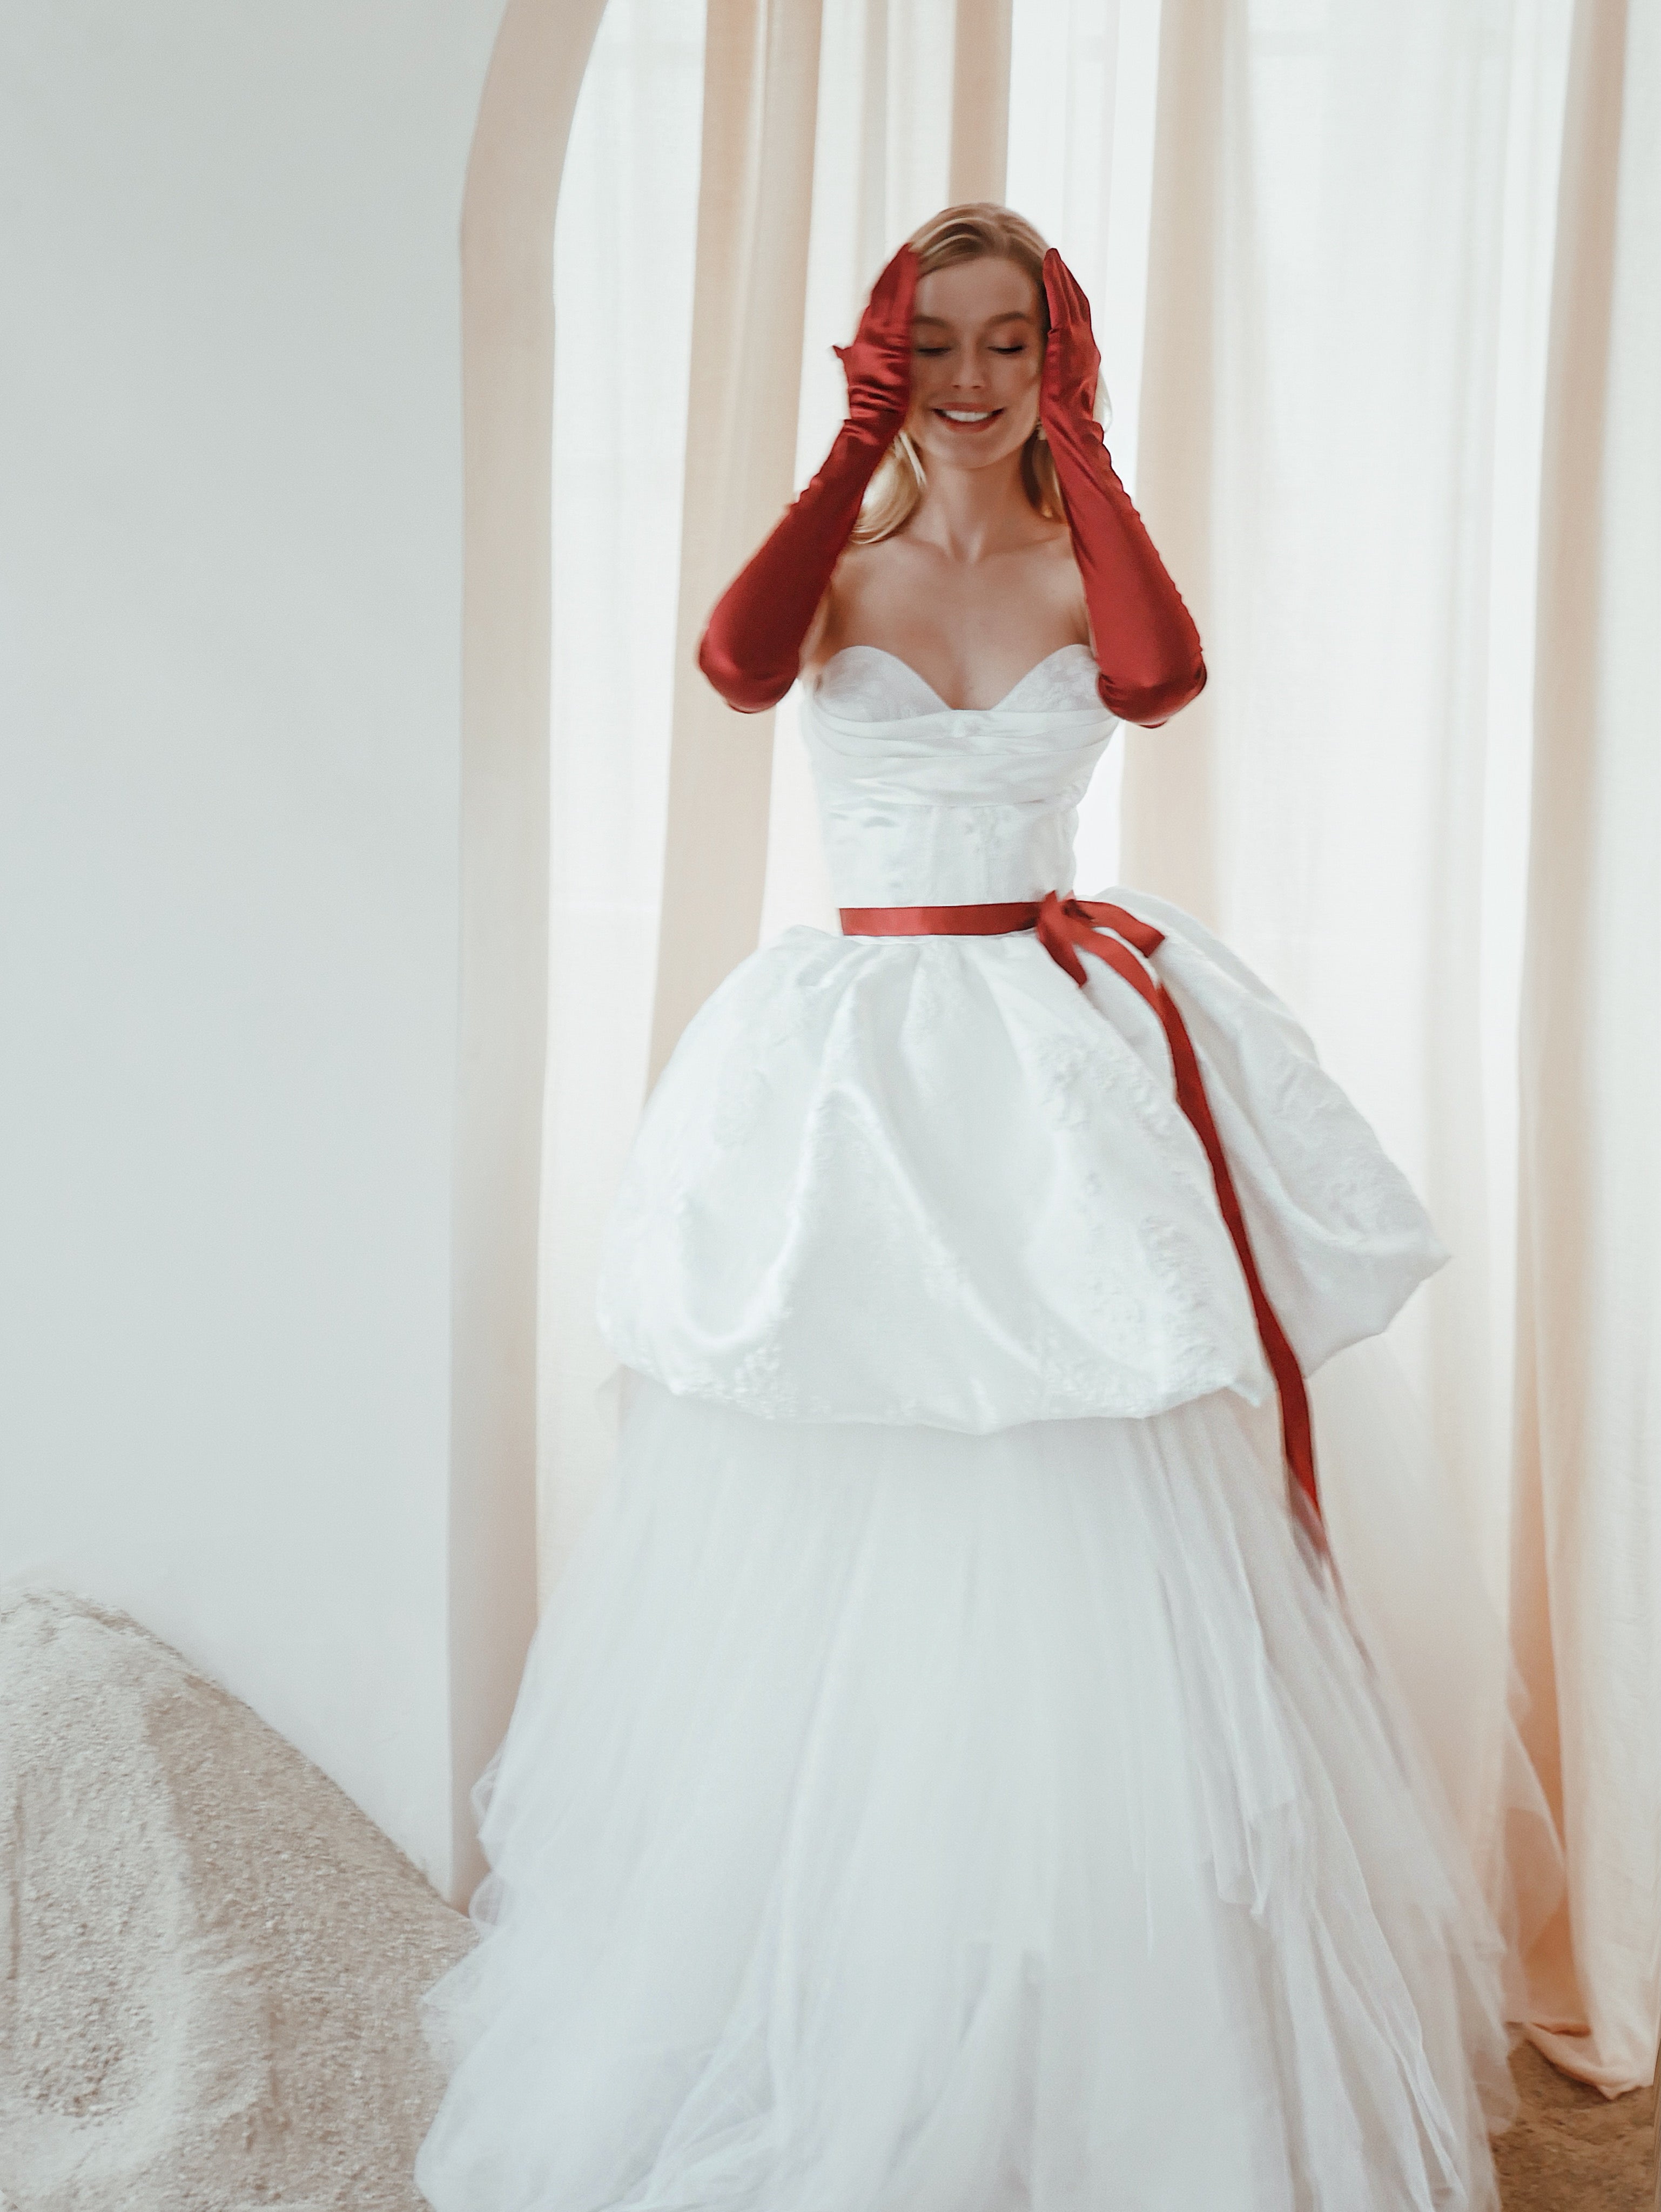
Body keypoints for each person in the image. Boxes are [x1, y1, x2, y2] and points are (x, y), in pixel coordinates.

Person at [416, 204, 1518, 2211]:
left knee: (1084, 1496)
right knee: (847, 1479)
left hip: (1038, 1037)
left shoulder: (1069, 550)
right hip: (854, 1053)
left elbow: (1159, 679)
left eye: (1010, 342)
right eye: (934, 344)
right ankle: (846, 2017)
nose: (972, 376)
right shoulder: (835, 568)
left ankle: (1087, 2047)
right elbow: (737, 665)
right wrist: (855, 455)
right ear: (880, 358)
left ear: (1054, 355)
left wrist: (1075, 460)